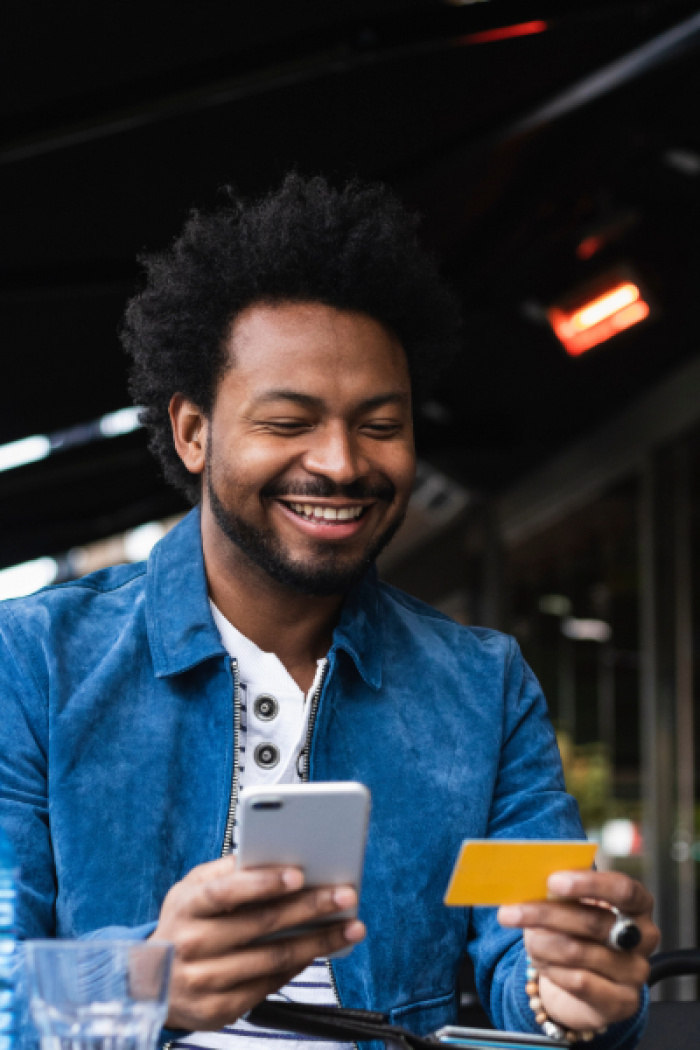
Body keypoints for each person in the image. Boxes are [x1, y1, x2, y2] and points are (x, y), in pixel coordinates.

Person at [0, 175, 658, 1050]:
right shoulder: (35, 660)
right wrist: (146, 981)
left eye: (379, 424)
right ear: (194, 432)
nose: (342, 463)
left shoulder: (484, 684)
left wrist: (571, 990)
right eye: (289, 421)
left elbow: (524, 942)